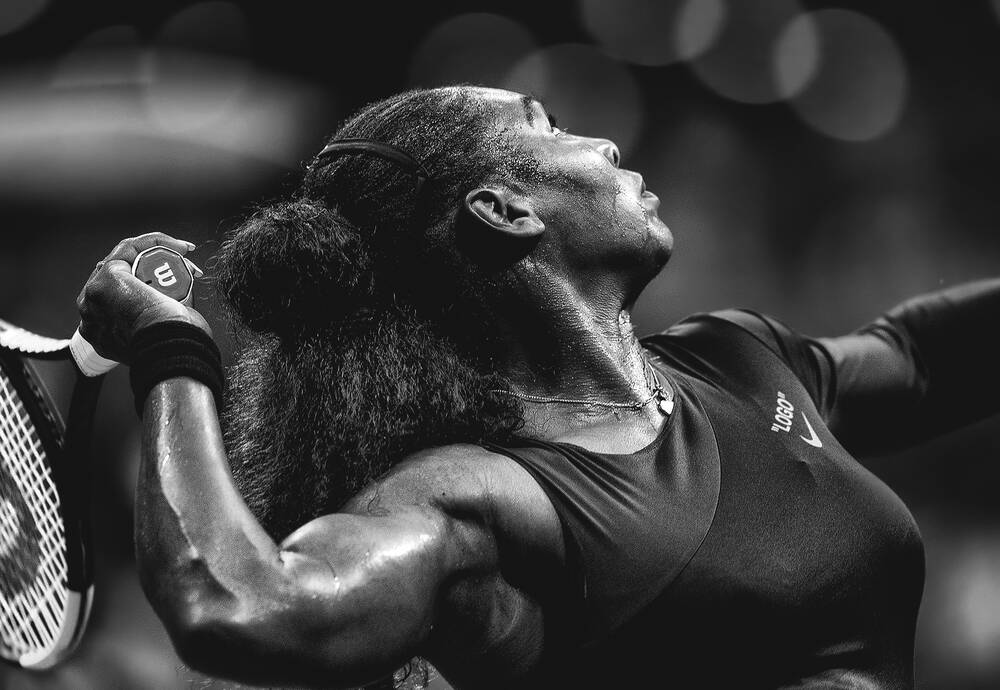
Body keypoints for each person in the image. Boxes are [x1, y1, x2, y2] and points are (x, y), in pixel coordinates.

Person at [76, 85, 1000, 689]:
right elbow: (238, 605)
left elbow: (924, 357)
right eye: (550, 126)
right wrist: (170, 352)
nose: (603, 142)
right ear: (506, 209)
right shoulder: (479, 499)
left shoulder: (742, 360)